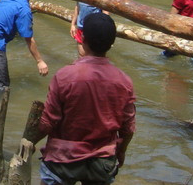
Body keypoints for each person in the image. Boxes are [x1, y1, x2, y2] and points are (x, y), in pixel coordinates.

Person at [38, 13, 136, 185]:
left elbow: (48, 121)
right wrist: (121, 151)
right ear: (111, 43)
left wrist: (29, 142)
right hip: (102, 161)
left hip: (63, 158)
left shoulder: (64, 76)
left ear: (82, 38)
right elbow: (128, 128)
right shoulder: (124, 81)